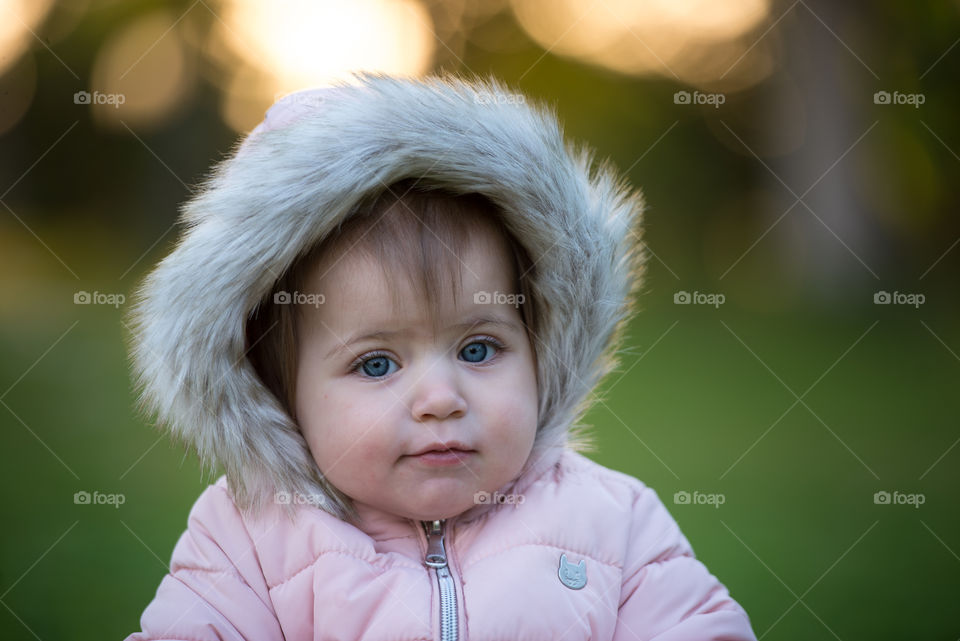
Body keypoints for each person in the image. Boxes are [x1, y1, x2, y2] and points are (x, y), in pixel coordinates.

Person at [125, 72, 757, 640]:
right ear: (276, 393)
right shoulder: (249, 542)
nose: (440, 399)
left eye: (479, 348)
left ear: (543, 346)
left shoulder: (612, 525)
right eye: (377, 364)